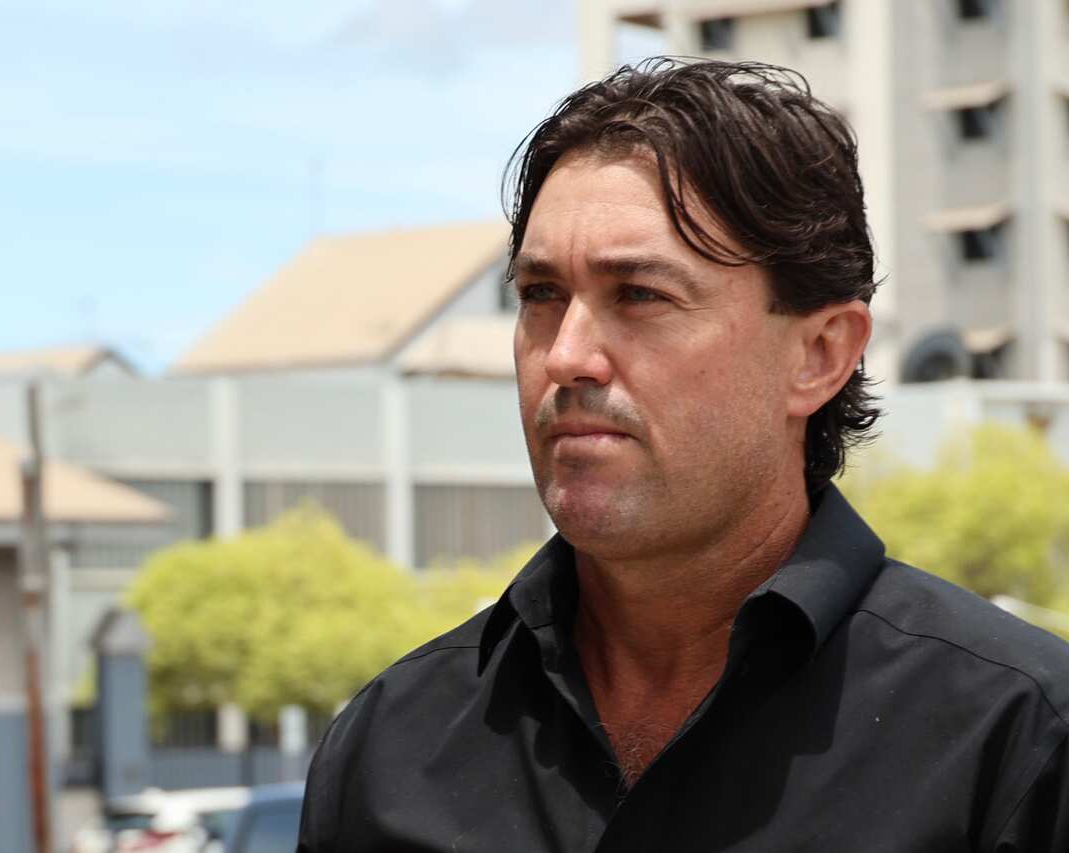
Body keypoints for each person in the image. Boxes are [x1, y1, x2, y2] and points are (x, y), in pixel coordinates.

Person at [296, 58, 1069, 852]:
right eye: (540, 295)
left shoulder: (1018, 740)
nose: (567, 355)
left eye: (640, 294)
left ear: (819, 355)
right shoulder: (389, 749)